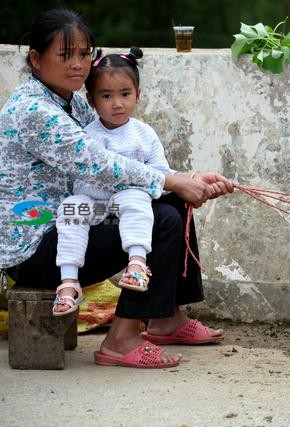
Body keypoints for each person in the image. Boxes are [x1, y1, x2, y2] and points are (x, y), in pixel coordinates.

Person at [0, 8, 234, 368]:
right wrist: (174, 180)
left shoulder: (74, 98)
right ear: (35, 58)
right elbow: (99, 164)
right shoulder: (34, 110)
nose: (78, 64)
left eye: (84, 53)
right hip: (37, 247)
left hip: (73, 219)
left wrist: (184, 179)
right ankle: (120, 340)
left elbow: (119, 158)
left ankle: (166, 316)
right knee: (164, 219)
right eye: (65, 55)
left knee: (170, 200)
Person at [54, 47, 170, 317]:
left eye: (125, 94)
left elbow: (160, 173)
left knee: (135, 197)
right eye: (107, 96)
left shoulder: (144, 134)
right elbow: (81, 180)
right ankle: (69, 281)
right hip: (96, 209)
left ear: (137, 95)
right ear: (92, 100)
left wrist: (131, 187)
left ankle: (138, 263)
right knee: (70, 208)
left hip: (126, 211)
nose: (117, 103)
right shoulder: (88, 136)